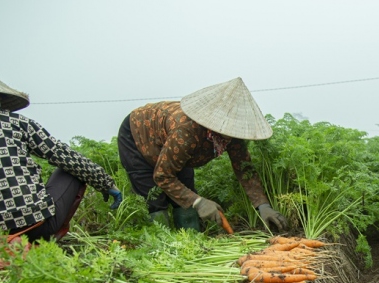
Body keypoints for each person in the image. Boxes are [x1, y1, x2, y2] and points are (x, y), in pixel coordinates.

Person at [0, 61, 123, 249]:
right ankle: (47, 240)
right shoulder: (13, 122)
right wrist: (106, 183)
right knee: (70, 169)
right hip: (33, 229)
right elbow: (65, 156)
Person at [117, 77, 287, 232]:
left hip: (174, 150)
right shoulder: (186, 131)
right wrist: (199, 202)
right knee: (154, 198)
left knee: (185, 193)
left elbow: (244, 169)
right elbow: (162, 175)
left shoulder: (233, 137)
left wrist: (263, 206)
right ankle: (161, 247)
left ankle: (191, 241)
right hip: (138, 137)